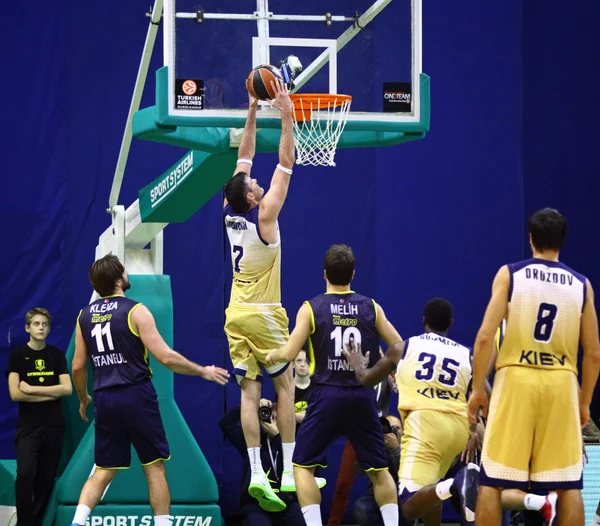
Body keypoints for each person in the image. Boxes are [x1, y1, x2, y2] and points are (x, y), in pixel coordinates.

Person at [69, 255, 229, 526]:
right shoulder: (136, 310)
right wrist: (202, 370)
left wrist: (84, 397)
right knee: (154, 467)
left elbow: (77, 366)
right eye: (125, 270)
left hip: (105, 399)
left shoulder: (84, 316)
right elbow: (165, 357)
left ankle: (77, 522)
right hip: (136, 394)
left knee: (103, 470)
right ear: (119, 279)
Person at [468, 208, 600, 526]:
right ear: (562, 242)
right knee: (568, 486)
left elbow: (485, 337)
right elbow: (593, 353)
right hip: (561, 381)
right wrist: (584, 403)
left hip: (516, 378)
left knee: (491, 481)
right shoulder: (581, 285)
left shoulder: (511, 275)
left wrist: (476, 390)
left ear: (531, 239)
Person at [266, 244, 402, 526]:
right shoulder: (371, 307)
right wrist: (376, 370)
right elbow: (399, 346)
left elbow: (289, 353)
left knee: (302, 466)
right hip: (362, 396)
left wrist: (272, 354)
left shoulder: (311, 308)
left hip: (326, 395)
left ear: (324, 274)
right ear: (353, 273)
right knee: (379, 470)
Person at [222, 78, 298, 510]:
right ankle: (287, 472)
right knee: (285, 386)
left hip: (235, 314)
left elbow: (245, 156)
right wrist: (286, 113)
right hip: (265, 313)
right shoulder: (265, 215)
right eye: (255, 188)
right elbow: (285, 160)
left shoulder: (228, 206)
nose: (259, 186)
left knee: (249, 393)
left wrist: (253, 107)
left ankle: (255, 473)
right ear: (251, 200)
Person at [344, 297, 479, 523]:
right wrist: (474, 430)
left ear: (423, 320)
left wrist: (358, 366)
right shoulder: (466, 354)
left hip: (425, 424)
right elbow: (482, 394)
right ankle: (451, 485)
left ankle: (456, 483)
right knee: (431, 488)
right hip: (458, 429)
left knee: (407, 504)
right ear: (451, 323)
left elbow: (367, 380)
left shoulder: (403, 348)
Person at [6, 308, 72, 526]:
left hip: (54, 426)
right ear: (28, 328)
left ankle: (35, 522)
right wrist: (51, 393)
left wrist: (32, 390)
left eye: (44, 324)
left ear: (49, 328)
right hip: (28, 427)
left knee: (45, 480)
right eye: (36, 324)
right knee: (25, 474)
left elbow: (67, 389)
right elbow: (15, 394)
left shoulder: (56, 355)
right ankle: (25, 522)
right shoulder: (17, 355)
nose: (41, 327)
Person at [219, 398, 305, 525]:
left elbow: (293, 465)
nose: (272, 419)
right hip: (257, 503)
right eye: (268, 414)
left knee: (301, 518)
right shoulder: (252, 440)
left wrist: (277, 437)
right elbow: (225, 424)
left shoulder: (293, 444)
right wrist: (250, 406)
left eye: (277, 416)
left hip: (287, 501)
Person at [293, 349, 313, 427]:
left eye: (306, 361)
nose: (302, 365)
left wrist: (292, 416)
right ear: (293, 364)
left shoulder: (317, 388)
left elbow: (317, 418)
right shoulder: (285, 387)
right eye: (299, 361)